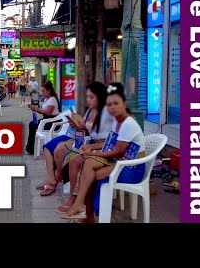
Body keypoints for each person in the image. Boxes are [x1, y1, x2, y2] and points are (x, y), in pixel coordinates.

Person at [61, 82, 146, 221]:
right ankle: (84, 211)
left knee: (88, 174)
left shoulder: (127, 123)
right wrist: (91, 148)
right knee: (87, 168)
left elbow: (117, 152)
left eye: (116, 103)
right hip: (119, 162)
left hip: (132, 167)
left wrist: (93, 153)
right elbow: (110, 144)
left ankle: (86, 211)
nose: (112, 107)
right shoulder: (117, 121)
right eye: (109, 104)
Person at [36, 82, 113, 197]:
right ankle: (58, 182)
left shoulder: (107, 112)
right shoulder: (91, 110)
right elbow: (86, 128)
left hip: (98, 144)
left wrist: (80, 123)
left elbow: (95, 131)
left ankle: (62, 185)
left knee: (64, 152)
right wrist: (76, 123)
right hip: (86, 139)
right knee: (56, 149)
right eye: (87, 97)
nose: (88, 100)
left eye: (91, 97)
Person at [25, 81, 60, 155]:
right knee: (32, 124)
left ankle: (30, 148)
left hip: (52, 122)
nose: (42, 92)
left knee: (33, 125)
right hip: (48, 120)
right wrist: (34, 108)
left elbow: (48, 112)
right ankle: (30, 147)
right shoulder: (47, 99)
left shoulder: (52, 100)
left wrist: (36, 109)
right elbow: (44, 111)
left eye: (43, 91)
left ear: (49, 91)